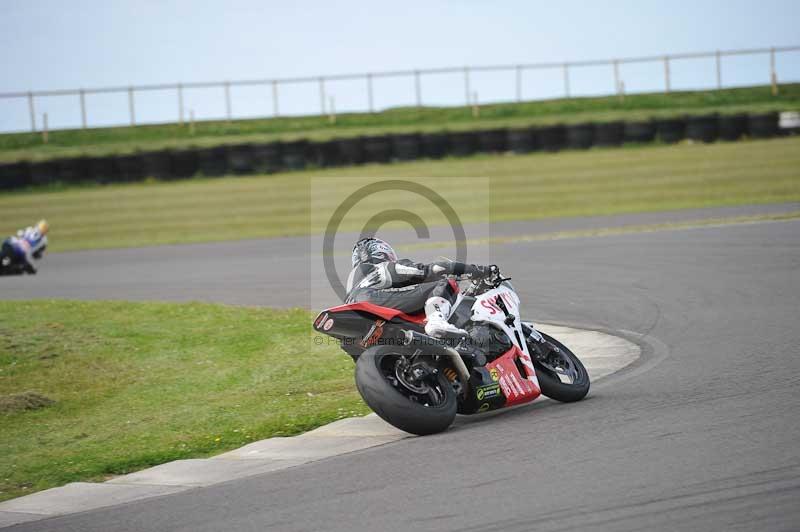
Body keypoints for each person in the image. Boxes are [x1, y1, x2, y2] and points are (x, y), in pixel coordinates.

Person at [346, 237, 498, 337]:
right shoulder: (382, 267)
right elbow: (432, 270)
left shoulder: (355, 282)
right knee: (444, 283)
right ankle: (436, 321)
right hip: (374, 302)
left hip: (356, 319)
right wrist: (479, 271)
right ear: (382, 252)